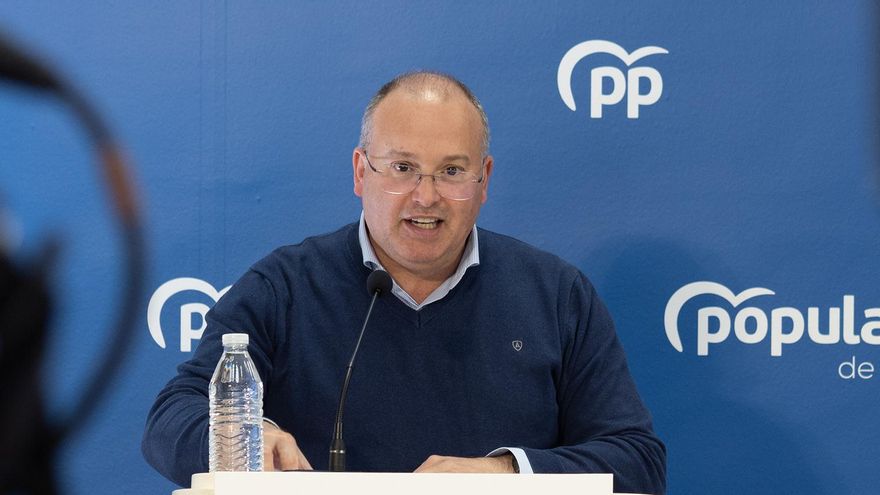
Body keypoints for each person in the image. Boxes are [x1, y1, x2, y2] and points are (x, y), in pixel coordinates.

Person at [142, 71, 667, 494]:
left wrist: (505, 474)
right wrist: (247, 438)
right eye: (402, 167)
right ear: (359, 173)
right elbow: (171, 419)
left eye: (452, 172)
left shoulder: (555, 294)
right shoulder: (283, 287)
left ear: (484, 180)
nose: (426, 196)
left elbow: (636, 459)